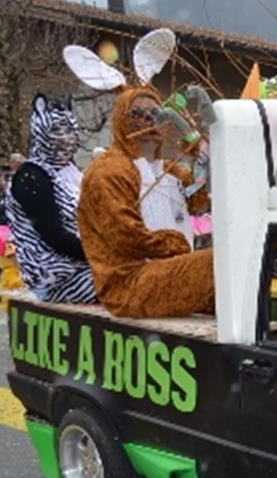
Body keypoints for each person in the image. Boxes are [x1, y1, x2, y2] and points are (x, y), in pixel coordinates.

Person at [78, 87, 214, 318]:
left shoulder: (168, 170)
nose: (150, 119)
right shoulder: (109, 171)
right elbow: (126, 236)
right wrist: (176, 244)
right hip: (129, 284)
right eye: (138, 114)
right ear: (122, 120)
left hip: (167, 272)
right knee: (217, 264)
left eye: (158, 113)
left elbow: (198, 201)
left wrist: (199, 153)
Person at [6, 94, 98, 304]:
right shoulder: (31, 176)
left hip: (87, 263)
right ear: (41, 133)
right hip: (56, 276)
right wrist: (103, 253)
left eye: (70, 130)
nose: (65, 138)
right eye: (57, 131)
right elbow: (54, 236)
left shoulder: (70, 172)